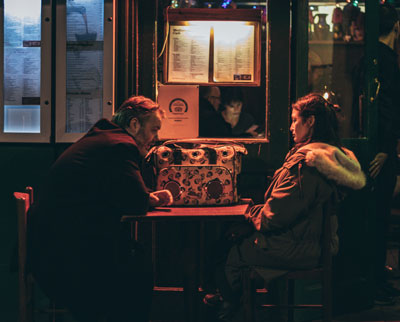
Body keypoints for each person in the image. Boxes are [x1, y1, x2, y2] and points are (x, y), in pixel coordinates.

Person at [204, 93, 366, 321]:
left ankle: (227, 308)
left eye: (294, 120)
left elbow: (273, 217)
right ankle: (229, 302)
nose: (291, 127)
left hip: (295, 248)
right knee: (231, 239)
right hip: (316, 244)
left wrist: (249, 213)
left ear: (310, 122)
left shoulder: (307, 163)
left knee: (225, 253)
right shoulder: (333, 155)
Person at [27, 96, 173, 322]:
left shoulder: (105, 137)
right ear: (134, 124)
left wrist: (147, 198)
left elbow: (124, 194)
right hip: (68, 262)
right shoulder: (121, 146)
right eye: (154, 129)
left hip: (49, 250)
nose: (156, 138)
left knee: (133, 256)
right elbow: (134, 202)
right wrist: (146, 199)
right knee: (138, 268)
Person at [368, 3, 400, 305]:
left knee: (373, 217)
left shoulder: (366, 58)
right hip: (383, 151)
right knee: (378, 217)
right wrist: (386, 149)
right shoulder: (388, 60)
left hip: (374, 147)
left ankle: (373, 277)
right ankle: (374, 280)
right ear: (397, 28)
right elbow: (388, 110)